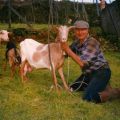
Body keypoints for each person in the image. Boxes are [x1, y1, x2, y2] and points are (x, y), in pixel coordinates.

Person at [61, 20, 120, 103]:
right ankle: (102, 85)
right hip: (88, 74)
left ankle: (115, 92)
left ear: (88, 30)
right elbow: (64, 54)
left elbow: (82, 63)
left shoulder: (92, 42)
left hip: (101, 71)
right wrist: (60, 40)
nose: (80, 32)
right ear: (74, 31)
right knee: (72, 88)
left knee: (88, 97)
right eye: (77, 30)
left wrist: (67, 49)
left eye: (83, 29)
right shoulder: (76, 43)